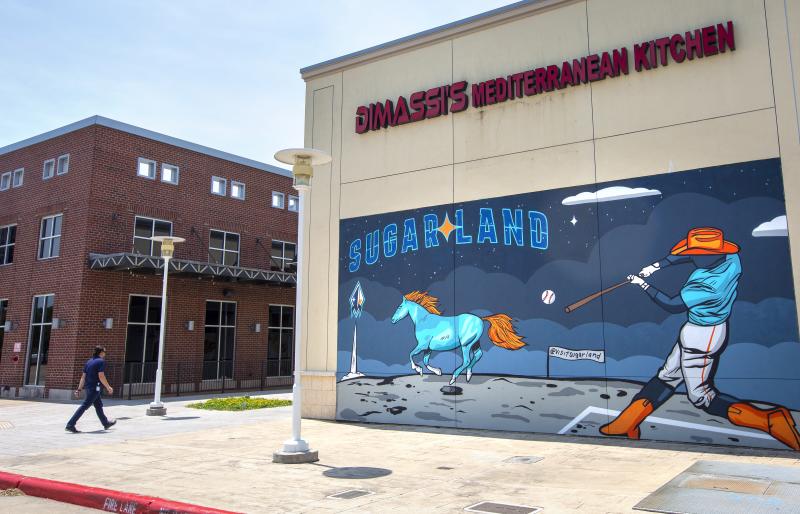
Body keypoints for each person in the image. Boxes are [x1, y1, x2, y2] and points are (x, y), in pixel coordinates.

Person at [600, 227, 800, 450]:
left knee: (701, 396)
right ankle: (627, 422)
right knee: (667, 376)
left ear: (710, 255)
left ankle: (769, 421)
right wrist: (657, 266)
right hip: (703, 330)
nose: (691, 257)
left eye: (696, 253)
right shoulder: (731, 260)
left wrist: (643, 284)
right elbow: (685, 256)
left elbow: (672, 304)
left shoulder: (706, 285)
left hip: (702, 336)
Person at [65, 345, 116, 433]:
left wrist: (79, 389)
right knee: (84, 406)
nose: (105, 354)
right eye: (105, 352)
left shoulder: (89, 362)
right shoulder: (100, 361)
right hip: (94, 388)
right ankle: (70, 424)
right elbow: (101, 375)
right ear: (101, 352)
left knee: (98, 405)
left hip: (89, 387)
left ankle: (105, 423)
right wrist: (108, 387)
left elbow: (83, 377)